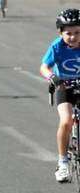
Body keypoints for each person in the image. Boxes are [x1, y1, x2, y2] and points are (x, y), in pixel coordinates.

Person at [40, 9, 80, 182]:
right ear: (60, 33)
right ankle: (63, 162)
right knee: (66, 120)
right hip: (64, 87)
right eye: (68, 33)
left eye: (78, 32)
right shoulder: (56, 47)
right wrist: (53, 77)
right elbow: (43, 67)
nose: (73, 37)